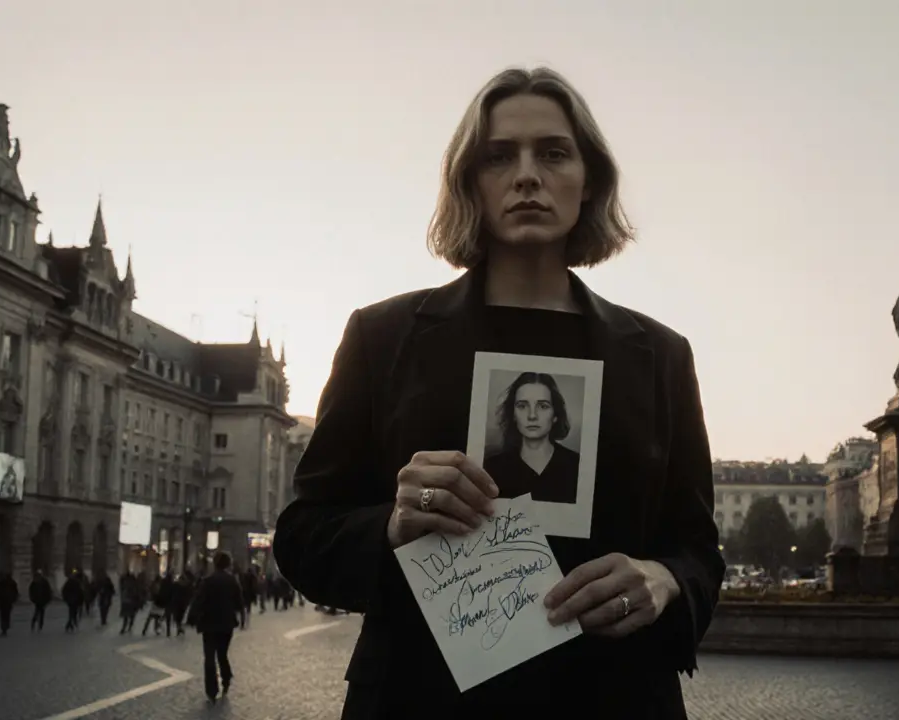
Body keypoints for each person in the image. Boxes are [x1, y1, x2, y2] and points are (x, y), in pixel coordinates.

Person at [273, 66, 724, 719]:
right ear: (469, 182)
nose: (527, 175)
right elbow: (302, 535)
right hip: (420, 701)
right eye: (499, 156)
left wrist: (666, 580)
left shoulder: (661, 355)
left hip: (615, 699)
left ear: (590, 179)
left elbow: (699, 552)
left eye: (554, 153)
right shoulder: (383, 337)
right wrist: (393, 526)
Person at [483, 371, 580, 503]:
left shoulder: (577, 466)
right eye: (522, 406)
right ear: (513, 414)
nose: (532, 416)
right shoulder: (491, 468)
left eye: (543, 406)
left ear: (555, 415)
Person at [188, 551, 243, 702]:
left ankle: (211, 690)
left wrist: (191, 617)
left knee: (209, 657)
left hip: (209, 623)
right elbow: (239, 603)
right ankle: (226, 678)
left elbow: (198, 600)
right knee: (222, 654)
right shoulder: (232, 581)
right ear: (228, 564)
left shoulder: (208, 581)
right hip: (226, 623)